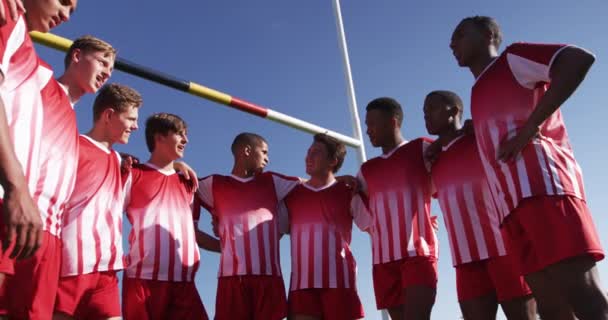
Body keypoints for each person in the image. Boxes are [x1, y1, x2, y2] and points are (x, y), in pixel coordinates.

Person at [450, 15, 607, 319]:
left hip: (545, 188)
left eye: (459, 35)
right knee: (551, 307)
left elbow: (577, 59)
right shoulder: (477, 90)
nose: (451, 43)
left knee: (583, 294)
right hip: (510, 208)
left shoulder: (512, 58)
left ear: (486, 35)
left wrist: (531, 126)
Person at [424, 90, 536, 319]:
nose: (426, 115)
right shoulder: (433, 160)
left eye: (432, 109)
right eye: (423, 112)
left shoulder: (482, 139)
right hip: (465, 258)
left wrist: (477, 127)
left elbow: (525, 129)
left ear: (454, 111)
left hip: (503, 248)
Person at [53, 83, 141, 320]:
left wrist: (177, 165)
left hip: (108, 269)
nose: (135, 126)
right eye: (131, 119)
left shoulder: (120, 161)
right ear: (109, 115)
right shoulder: (72, 146)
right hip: (71, 266)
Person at [195, 132, 300, 320]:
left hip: (269, 278)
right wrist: (225, 247)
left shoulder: (272, 182)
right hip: (231, 280)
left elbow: (313, 184)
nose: (268, 158)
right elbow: (177, 181)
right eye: (264, 152)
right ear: (247, 151)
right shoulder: (214, 184)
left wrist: (339, 179)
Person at [122, 113, 216, 320]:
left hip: (185, 282)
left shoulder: (188, 183)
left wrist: (225, 247)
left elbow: (193, 233)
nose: (186, 140)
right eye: (179, 134)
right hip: (144, 281)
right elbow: (107, 215)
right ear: (159, 137)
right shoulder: (133, 174)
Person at [357, 97, 438, 320]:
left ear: (393, 122)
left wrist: (423, 217)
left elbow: (447, 181)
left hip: (418, 253)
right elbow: (363, 213)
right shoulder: (366, 170)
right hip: (382, 260)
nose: (367, 130)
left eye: (372, 123)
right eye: (366, 125)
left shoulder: (421, 148)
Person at [282, 133, 370, 320]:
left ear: (332, 161)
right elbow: (272, 229)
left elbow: (374, 227)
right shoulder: (291, 194)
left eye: (316, 152)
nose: (309, 157)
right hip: (302, 284)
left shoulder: (348, 192)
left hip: (340, 281)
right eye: (308, 152)